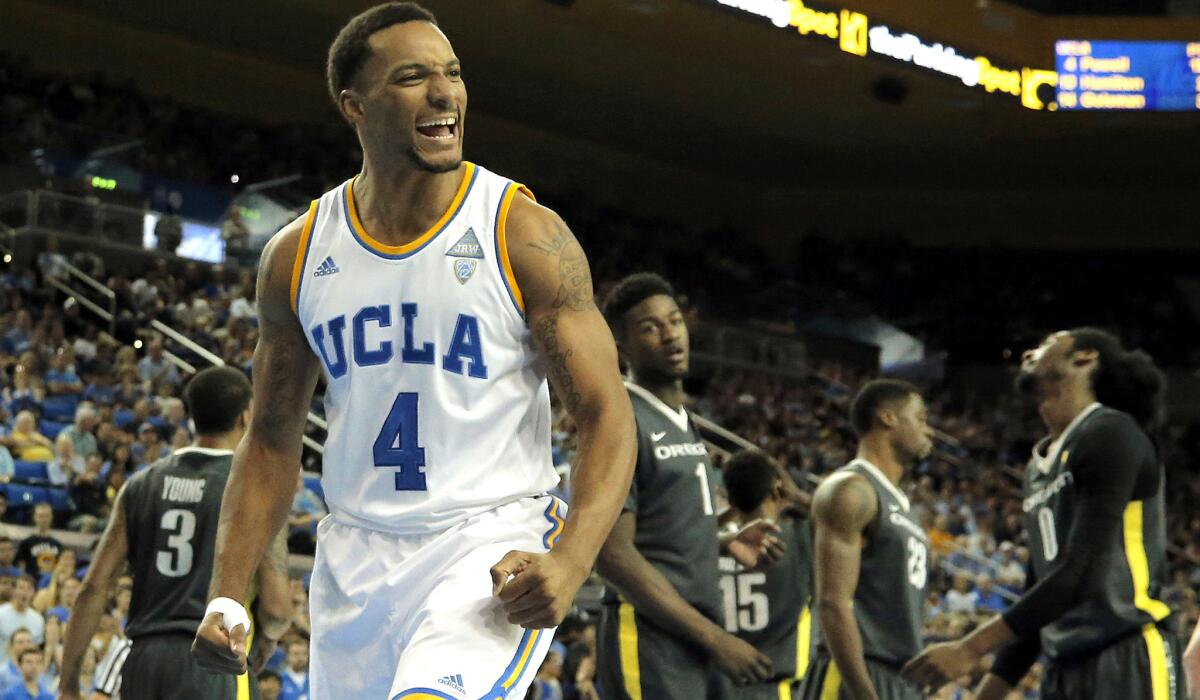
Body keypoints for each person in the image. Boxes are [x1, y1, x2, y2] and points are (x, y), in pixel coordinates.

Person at [191, 4, 637, 699]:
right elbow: (272, 439)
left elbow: (607, 412)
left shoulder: (522, 233)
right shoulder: (298, 256)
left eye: (452, 74)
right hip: (354, 562)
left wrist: (574, 558)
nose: (444, 93)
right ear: (354, 106)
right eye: (412, 77)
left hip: (484, 547)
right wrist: (226, 593)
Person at [903, 329, 1184, 700]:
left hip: (1127, 652)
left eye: (1048, 342)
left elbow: (1081, 573)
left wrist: (970, 648)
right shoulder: (1038, 471)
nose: (1031, 351)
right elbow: (1038, 604)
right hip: (1063, 667)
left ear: (1084, 358)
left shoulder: (1111, 431)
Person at [595, 272, 783, 700]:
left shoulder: (683, 421)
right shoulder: (621, 418)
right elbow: (611, 554)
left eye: (674, 321)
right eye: (650, 327)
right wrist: (715, 639)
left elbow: (661, 530)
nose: (669, 334)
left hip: (690, 639)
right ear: (621, 347)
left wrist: (724, 540)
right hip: (648, 636)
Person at [59, 366, 293, 700]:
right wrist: (266, 642)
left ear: (191, 417)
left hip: (142, 660)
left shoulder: (139, 484)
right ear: (246, 416)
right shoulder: (255, 488)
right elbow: (277, 608)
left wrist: (68, 686)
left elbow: (93, 588)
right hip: (211, 660)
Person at [799, 379, 933, 700]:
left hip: (898, 677)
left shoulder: (901, 505)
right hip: (853, 673)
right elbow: (833, 601)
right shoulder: (851, 489)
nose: (929, 431)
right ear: (887, 418)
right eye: (921, 419)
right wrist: (864, 693)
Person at [718, 450, 814, 700]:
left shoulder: (710, 545)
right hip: (776, 688)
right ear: (777, 490)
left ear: (729, 499)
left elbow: (690, 534)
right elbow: (846, 523)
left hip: (713, 687)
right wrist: (799, 497)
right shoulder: (798, 538)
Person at [0, 579, 42, 662]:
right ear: (13, 591)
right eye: (21, 588)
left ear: (34, 593)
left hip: (26, 670)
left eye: (29, 588)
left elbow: (36, 648)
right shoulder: (1, 613)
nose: (24, 592)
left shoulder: (38, 619)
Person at [15, 508, 61, 580]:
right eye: (41, 516)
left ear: (51, 517)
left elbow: (59, 566)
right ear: (35, 517)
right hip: (31, 584)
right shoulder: (26, 542)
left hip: (50, 583)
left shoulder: (57, 544)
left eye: (46, 516)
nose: (44, 519)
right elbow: (21, 565)